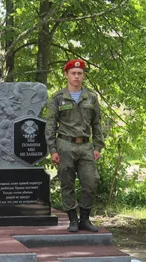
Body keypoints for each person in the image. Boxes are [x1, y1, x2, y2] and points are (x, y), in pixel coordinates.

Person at [44, 59, 105, 233]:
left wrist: (97, 147)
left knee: (91, 181)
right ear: (66, 75)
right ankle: (72, 219)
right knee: (67, 182)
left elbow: (97, 124)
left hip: (86, 146)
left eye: (79, 73)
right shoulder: (57, 98)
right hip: (65, 145)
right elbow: (50, 125)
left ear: (83, 76)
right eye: (73, 73)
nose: (76, 76)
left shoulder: (91, 97)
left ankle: (84, 219)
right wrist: (53, 149)